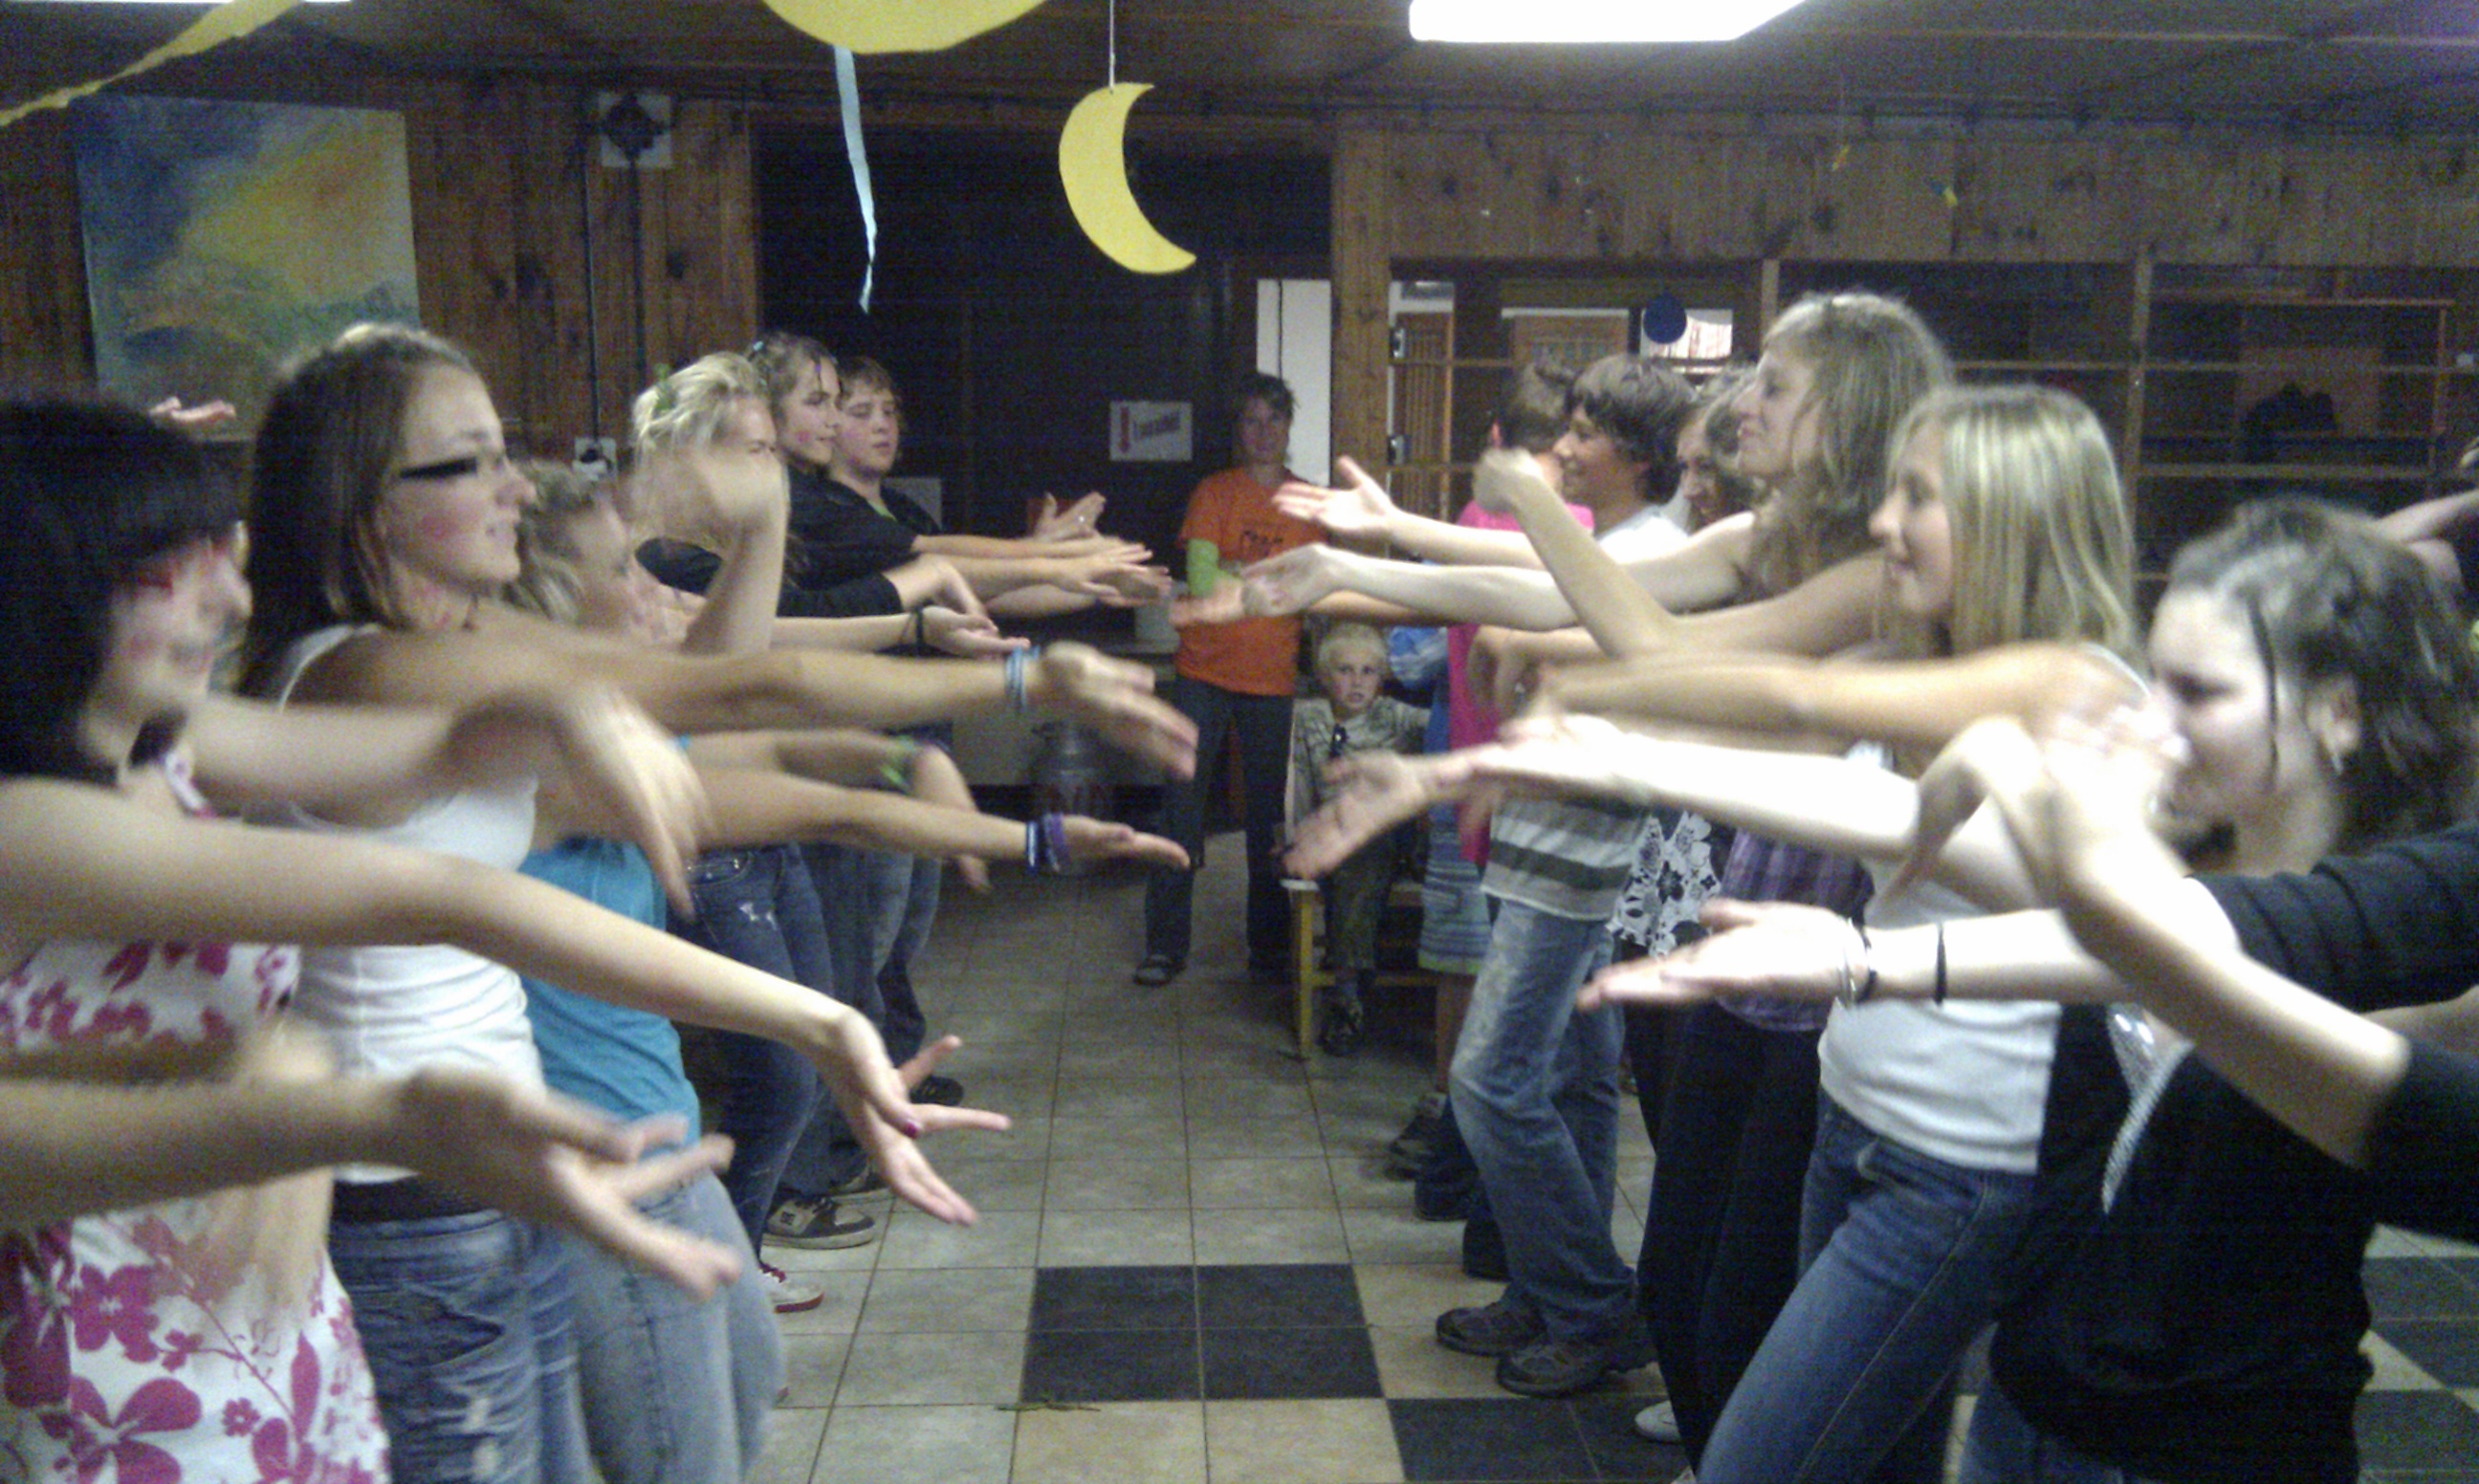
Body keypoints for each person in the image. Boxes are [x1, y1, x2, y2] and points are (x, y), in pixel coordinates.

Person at [236, 322, 1186, 1484]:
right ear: (364, 503)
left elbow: (744, 728)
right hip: (418, 1198)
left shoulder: (440, 649)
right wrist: (1026, 678)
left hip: (501, 1160)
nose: (511, 485)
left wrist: (840, 988)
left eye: (503, 451)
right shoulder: (363, 669)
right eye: (468, 462)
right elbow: (739, 691)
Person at [0, 397, 890, 1481]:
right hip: (121, 1360)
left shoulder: (174, 743)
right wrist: (811, 1016)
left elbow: (445, 751)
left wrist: (568, 709)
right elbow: (437, 894)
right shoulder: (30, 825)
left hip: (260, 1309)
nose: (230, 602)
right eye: (177, 573)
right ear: (52, 587)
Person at [1291, 381, 2139, 1468]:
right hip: (1865, 1117)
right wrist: (1497, 757)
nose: (1885, 522)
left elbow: (1793, 706)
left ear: (2008, 515)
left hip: (1964, 1165)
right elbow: (1784, 758)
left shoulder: (2063, 679)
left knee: (1761, 1449)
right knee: (1865, 1449)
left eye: (1919, 499)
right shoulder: (1913, 657)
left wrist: (1565, 719)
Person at [1606, 499, 2479, 1484]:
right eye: (2154, 680)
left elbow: (2159, 951)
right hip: (2032, 1412)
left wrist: (1889, 930)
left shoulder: (2401, 952)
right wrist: (1621, 758)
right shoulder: (2180, 858)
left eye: (2199, 692)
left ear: (2341, 713)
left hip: (2202, 1455)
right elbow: (1904, 820)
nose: (2153, 724)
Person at [1136, 371, 1325, 987]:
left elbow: (1309, 587)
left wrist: (1237, 570)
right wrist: (1266, 580)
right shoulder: (1214, 493)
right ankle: (1165, 946)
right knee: (1181, 810)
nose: (1263, 431)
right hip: (1202, 672)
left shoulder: (1309, 504)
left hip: (1273, 679)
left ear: (1289, 426)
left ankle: (1268, 950)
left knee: (1268, 820)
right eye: (1251, 419)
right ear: (1238, 429)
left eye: (1274, 418)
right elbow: (1202, 578)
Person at [1287, 622, 1427, 1055]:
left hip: (1388, 831)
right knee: (1341, 852)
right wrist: (1294, 835)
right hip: (1331, 834)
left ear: (1381, 677)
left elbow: (1445, 729)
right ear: (1325, 676)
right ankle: (1349, 979)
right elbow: (1299, 782)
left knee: (1362, 850)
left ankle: (1349, 993)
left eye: (1368, 671)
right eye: (1345, 670)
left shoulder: (1394, 715)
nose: (1357, 682)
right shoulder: (1309, 717)